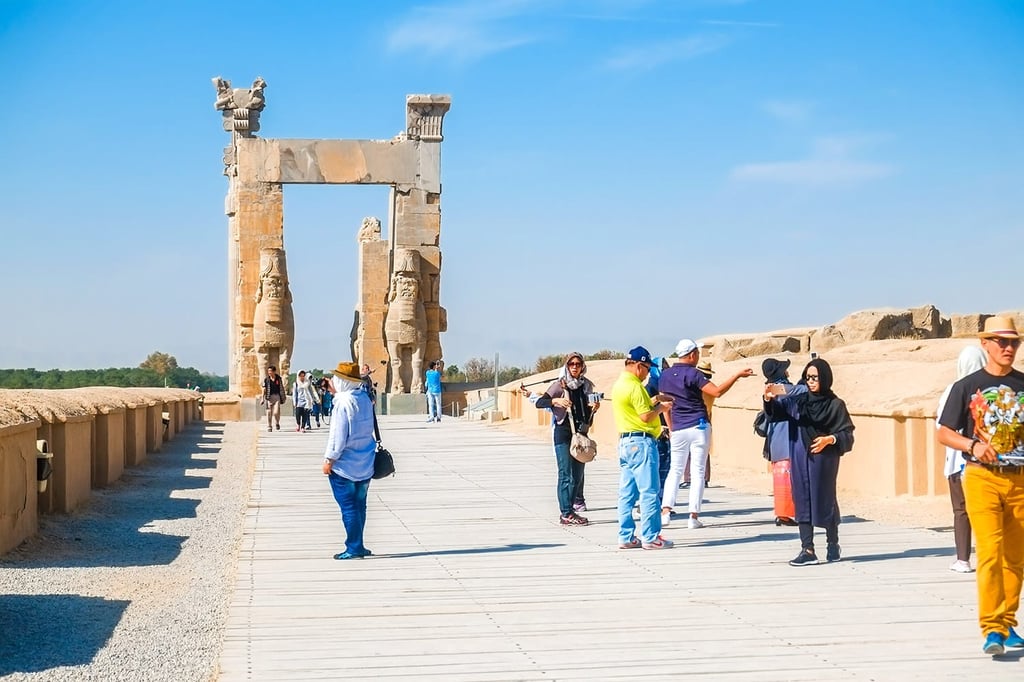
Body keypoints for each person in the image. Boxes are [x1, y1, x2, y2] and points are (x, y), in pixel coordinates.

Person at [937, 315, 1024, 655]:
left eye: (1013, 342)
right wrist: (972, 446)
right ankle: (991, 628)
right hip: (981, 477)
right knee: (989, 552)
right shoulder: (967, 386)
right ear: (985, 344)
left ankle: (1006, 623)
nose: (1008, 348)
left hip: (1020, 479)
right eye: (1001, 341)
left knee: (1016, 558)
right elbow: (944, 432)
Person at [765, 357, 855, 566]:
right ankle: (808, 549)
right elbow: (776, 414)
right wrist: (769, 399)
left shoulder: (835, 404)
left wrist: (829, 439)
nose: (811, 381)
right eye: (807, 378)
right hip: (799, 456)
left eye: (815, 377)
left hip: (824, 460)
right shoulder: (798, 402)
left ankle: (832, 543)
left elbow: (847, 434)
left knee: (825, 498)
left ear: (825, 378)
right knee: (801, 498)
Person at [659, 339, 753, 529]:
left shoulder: (665, 375)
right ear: (692, 355)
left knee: (675, 471)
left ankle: (665, 512)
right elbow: (716, 392)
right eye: (698, 353)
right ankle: (693, 516)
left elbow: (665, 405)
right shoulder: (694, 374)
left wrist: (671, 427)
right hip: (698, 426)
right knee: (698, 472)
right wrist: (736, 375)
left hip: (678, 428)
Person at [612, 346, 673, 550]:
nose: (648, 373)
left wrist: (654, 400)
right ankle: (651, 536)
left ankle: (626, 536)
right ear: (639, 366)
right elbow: (645, 416)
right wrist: (662, 408)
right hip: (642, 443)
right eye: (647, 369)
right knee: (649, 491)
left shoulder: (620, 384)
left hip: (626, 442)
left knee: (627, 493)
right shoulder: (636, 386)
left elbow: (635, 407)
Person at [936, 346, 987, 574]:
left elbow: (942, 426)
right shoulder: (990, 390)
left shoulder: (954, 390)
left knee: (961, 510)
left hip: (959, 458)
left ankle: (963, 559)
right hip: (985, 459)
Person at [533, 352, 600, 525]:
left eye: (578, 364)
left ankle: (571, 510)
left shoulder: (587, 386)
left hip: (580, 435)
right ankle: (566, 512)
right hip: (563, 434)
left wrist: (594, 409)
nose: (575, 367)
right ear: (567, 366)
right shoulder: (559, 385)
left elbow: (587, 417)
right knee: (566, 474)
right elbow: (540, 402)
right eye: (571, 364)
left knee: (577, 476)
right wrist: (556, 401)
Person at [321, 361, 377, 560]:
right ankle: (358, 543)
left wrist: (329, 459)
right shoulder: (364, 397)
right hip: (366, 460)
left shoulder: (342, 403)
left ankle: (353, 546)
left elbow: (338, 436)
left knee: (348, 507)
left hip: (345, 465)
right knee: (360, 505)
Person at [761, 358, 801, 527]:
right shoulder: (778, 388)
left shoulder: (773, 387)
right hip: (785, 437)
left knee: (782, 477)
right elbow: (797, 392)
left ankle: (784, 513)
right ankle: (784, 514)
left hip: (778, 438)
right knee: (786, 477)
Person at [683, 358, 717, 489]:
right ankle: (705, 478)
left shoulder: (700, 387)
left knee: (690, 448)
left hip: (695, 416)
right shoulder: (711, 386)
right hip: (706, 417)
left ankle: (689, 478)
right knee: (704, 449)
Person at [260, 365, 284, 432]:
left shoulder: (278, 379)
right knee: (269, 412)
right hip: (269, 397)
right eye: (268, 371)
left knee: (276, 412)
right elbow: (263, 389)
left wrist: (283, 396)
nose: (269, 372)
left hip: (277, 397)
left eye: (270, 371)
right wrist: (262, 398)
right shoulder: (267, 380)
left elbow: (281, 388)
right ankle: (269, 426)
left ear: (274, 371)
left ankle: (277, 422)